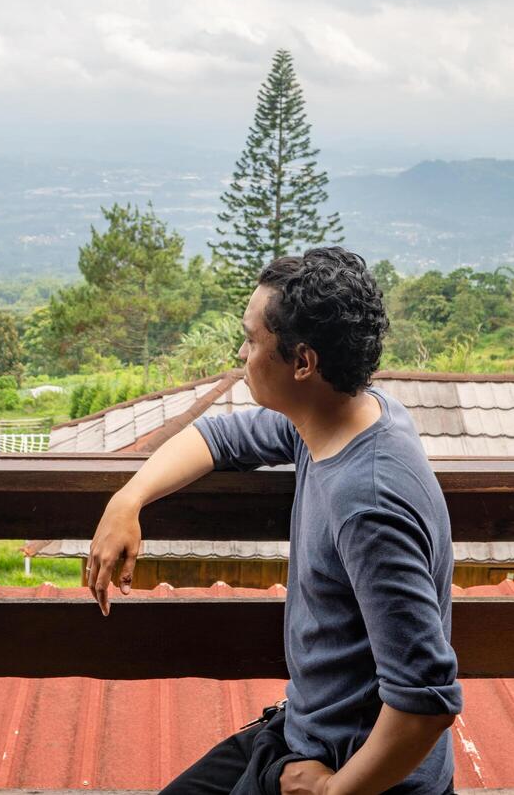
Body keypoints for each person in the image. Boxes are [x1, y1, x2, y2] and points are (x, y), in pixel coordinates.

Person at [86, 247, 462, 795]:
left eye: (251, 339)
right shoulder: (339, 416)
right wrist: (128, 498)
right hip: (304, 734)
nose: (242, 353)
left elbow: (426, 700)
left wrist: (334, 790)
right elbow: (221, 437)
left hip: (357, 773)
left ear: (303, 362)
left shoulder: (369, 504)